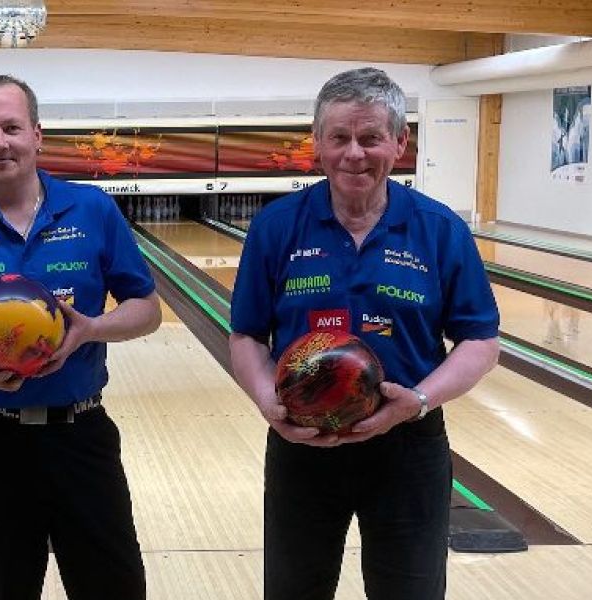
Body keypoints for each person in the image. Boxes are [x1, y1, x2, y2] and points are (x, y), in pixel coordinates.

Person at [227, 67, 501, 599]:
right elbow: (246, 335)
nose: (354, 153)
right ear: (317, 142)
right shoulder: (276, 226)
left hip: (409, 445)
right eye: (340, 137)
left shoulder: (440, 229)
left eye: (371, 137)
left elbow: (481, 341)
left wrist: (418, 400)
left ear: (399, 142)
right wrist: (267, 402)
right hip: (303, 444)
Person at [0, 74, 162, 600]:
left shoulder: (92, 209)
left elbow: (147, 310)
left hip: (79, 434)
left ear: (37, 134)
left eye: (12, 127)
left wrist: (91, 329)